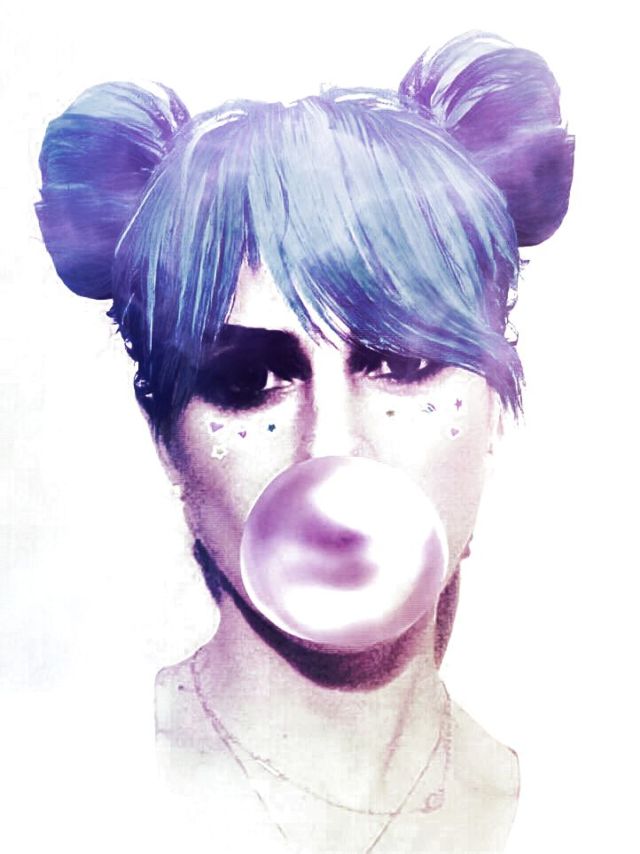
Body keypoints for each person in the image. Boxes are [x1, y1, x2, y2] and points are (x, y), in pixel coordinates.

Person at [36, 31, 574, 853]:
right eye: (250, 380)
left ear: (494, 404)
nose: (332, 448)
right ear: (165, 443)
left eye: (403, 363)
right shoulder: (46, 789)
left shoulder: (593, 808)